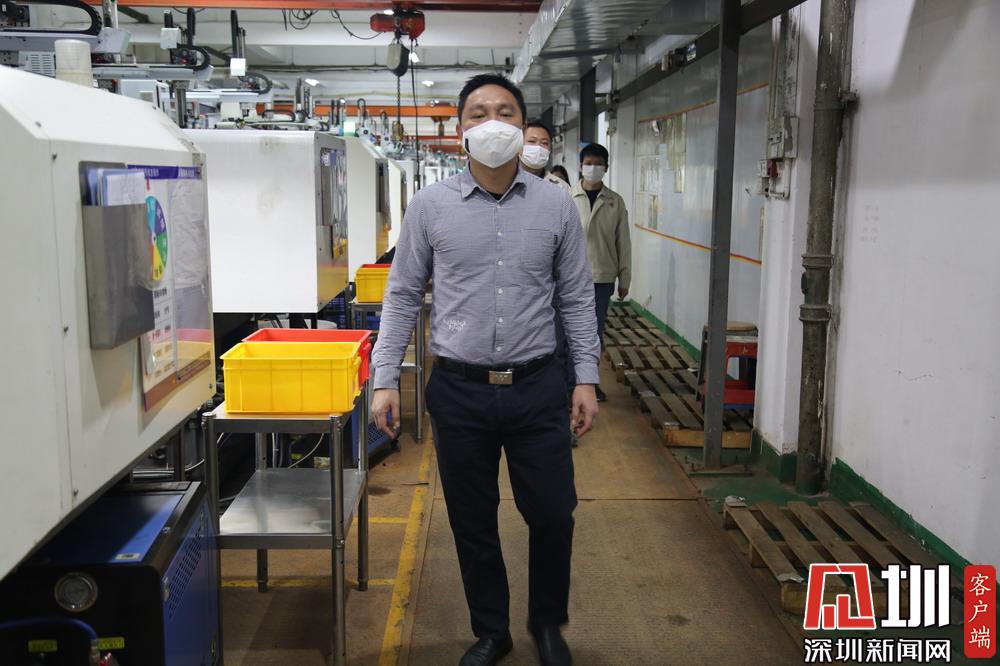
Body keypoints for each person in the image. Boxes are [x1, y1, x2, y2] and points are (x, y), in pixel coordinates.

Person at [370, 74, 600, 666]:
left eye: (505, 111)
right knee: (473, 521)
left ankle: (546, 623)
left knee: (553, 514)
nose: (492, 122)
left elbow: (576, 297)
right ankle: (492, 632)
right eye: (478, 112)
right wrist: (384, 378)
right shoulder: (430, 206)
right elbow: (401, 294)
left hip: (537, 386)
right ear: (460, 130)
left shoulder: (555, 205)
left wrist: (586, 376)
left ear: (523, 126)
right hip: (460, 389)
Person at [571, 143, 632, 403]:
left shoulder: (614, 202)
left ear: (606, 168)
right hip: (570, 277)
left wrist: (624, 277)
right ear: (580, 166)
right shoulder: (567, 197)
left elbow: (623, 242)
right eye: (588, 163)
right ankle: (569, 383)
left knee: (594, 333)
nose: (593, 168)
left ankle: (590, 383)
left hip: (602, 278)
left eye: (598, 164)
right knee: (567, 331)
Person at [519, 120, 571, 193]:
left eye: (544, 143)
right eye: (532, 141)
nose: (538, 147)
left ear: (550, 149)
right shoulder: (505, 182)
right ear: (518, 145)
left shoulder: (562, 187)